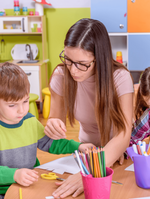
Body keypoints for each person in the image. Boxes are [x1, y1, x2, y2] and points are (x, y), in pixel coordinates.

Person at [44, 18, 134, 198]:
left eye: (82, 64)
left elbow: (124, 134)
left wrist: (90, 173)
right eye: (68, 60)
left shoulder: (120, 78)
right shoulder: (61, 76)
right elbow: (56, 121)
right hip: (85, 153)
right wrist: (52, 126)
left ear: (99, 58)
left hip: (116, 154)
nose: (73, 70)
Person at [0, 62, 94, 199]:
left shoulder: (30, 121)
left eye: (25, 101)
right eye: (12, 105)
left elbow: (51, 143)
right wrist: (14, 175)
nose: (22, 110)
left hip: (29, 185)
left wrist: (78, 146)